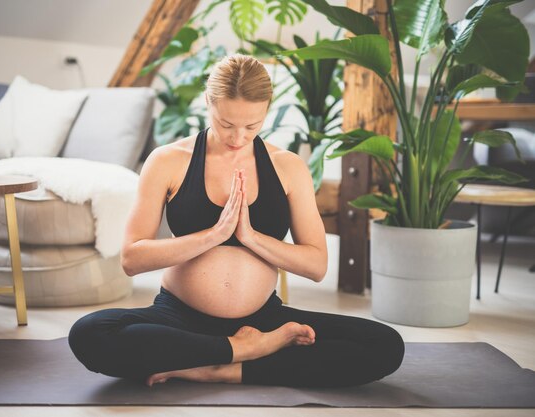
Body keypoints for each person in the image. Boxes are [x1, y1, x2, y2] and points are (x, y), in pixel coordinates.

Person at [68, 54, 404, 388]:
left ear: (267, 110)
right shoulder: (168, 161)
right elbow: (132, 258)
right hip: (178, 318)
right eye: (226, 124)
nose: (238, 137)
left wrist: (251, 237)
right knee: (89, 334)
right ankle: (242, 351)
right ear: (208, 103)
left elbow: (316, 264)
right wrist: (213, 235)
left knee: (385, 345)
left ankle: (221, 366)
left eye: (252, 126)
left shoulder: (288, 167)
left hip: (264, 321)